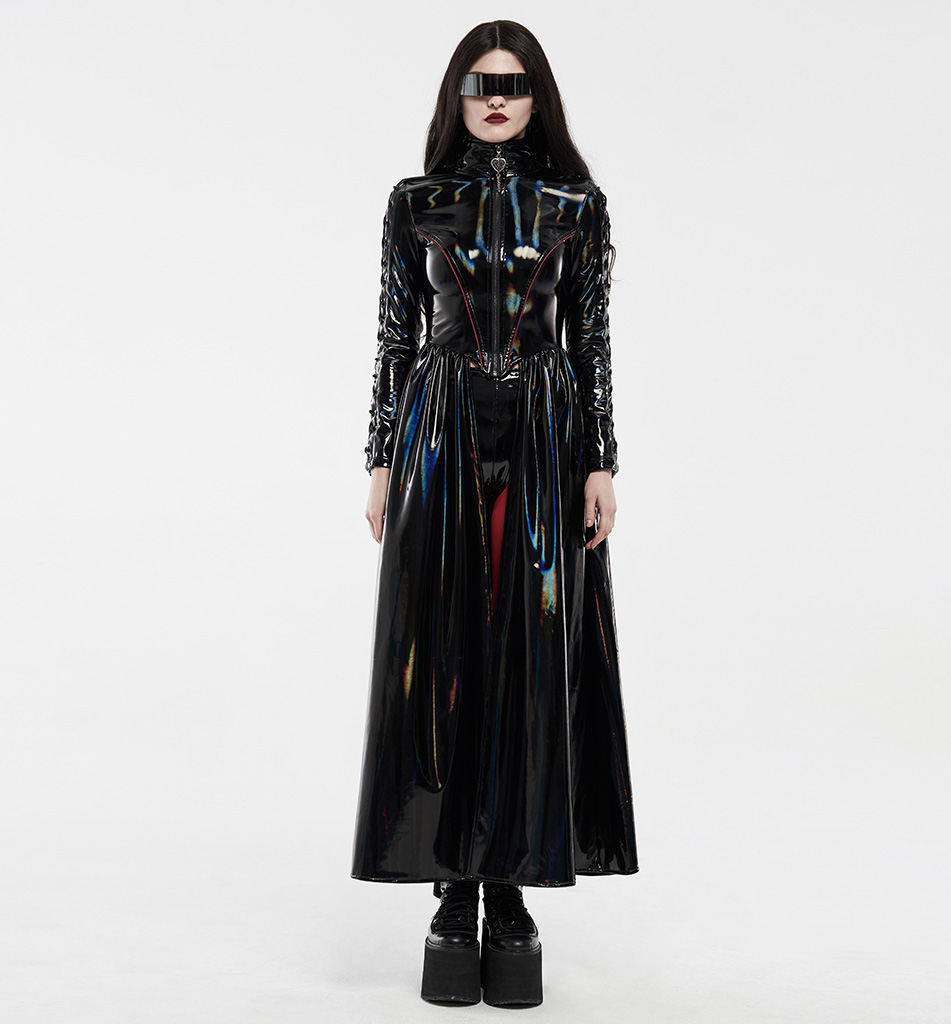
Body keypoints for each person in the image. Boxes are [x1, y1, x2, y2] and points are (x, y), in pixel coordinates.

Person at [351, 19, 639, 1008]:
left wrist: (601, 461)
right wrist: (379, 458)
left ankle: (510, 889)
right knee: (443, 652)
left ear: (536, 95)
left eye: (513, 83)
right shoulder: (415, 201)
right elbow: (393, 337)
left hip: (546, 434)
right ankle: (452, 888)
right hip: (436, 432)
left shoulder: (576, 205)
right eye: (480, 82)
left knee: (531, 652)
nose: (497, 98)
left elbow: (592, 340)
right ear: (457, 95)